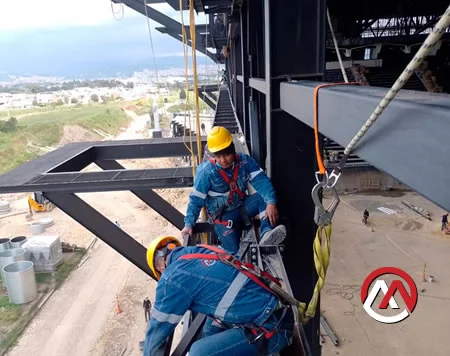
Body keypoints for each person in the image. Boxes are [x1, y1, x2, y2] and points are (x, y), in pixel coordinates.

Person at [143, 236, 294, 356]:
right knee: (209, 327)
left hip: (273, 330)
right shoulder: (203, 251)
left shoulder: (171, 277)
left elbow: (157, 331)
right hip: (278, 312)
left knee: (197, 352)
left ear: (160, 267)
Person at [181, 126, 286, 254]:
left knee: (263, 199)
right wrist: (188, 224)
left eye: (226, 154)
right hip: (223, 219)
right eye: (218, 156)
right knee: (235, 256)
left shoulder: (244, 161)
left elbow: (261, 182)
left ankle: (266, 234)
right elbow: (196, 200)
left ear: (233, 149)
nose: (223, 160)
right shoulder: (206, 173)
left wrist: (271, 202)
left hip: (242, 208)